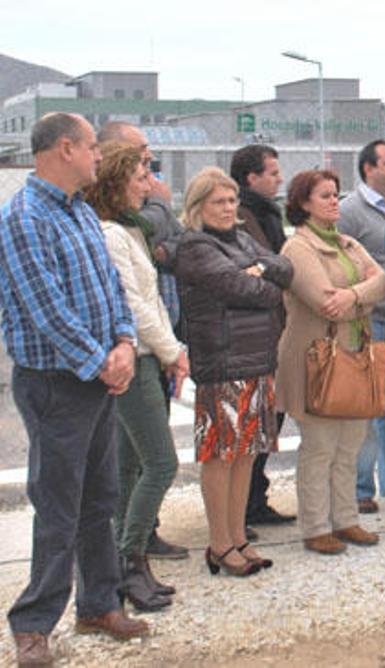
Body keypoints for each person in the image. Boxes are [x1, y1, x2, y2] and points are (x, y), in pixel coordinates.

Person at [2, 112, 148, 665]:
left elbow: (111, 288)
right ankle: (34, 623)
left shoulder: (81, 213)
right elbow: (46, 310)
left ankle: (98, 604)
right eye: (92, 147)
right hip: (56, 384)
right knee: (58, 506)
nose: (98, 157)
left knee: (100, 499)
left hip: (97, 376)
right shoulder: (23, 218)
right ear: (65, 149)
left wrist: (126, 343)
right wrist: (103, 362)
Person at [173, 167, 292, 576]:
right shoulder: (194, 246)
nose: (227, 209)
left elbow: (283, 271)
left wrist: (259, 273)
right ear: (198, 206)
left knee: (246, 455)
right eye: (218, 202)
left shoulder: (240, 239)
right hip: (222, 363)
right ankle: (219, 544)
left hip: (257, 361)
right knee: (221, 456)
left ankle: (238, 536)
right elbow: (244, 289)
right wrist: (259, 276)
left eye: (231, 201)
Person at [86, 142, 186, 611]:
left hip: (149, 353)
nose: (149, 185)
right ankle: (130, 560)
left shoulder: (128, 230)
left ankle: (127, 561)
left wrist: (170, 350)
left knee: (129, 465)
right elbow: (135, 303)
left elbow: (153, 300)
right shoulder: (110, 233)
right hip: (138, 357)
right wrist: (172, 352)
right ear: (116, 182)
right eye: (140, 176)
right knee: (161, 463)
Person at [274, 170, 385, 554]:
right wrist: (362, 295)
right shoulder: (298, 249)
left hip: (355, 356)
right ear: (303, 202)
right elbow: (325, 303)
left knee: (349, 447)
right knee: (320, 447)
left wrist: (354, 296)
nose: (334, 201)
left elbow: (384, 281)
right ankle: (315, 525)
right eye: (325, 195)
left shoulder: (348, 242)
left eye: (336, 194)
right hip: (316, 360)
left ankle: (346, 519)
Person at [339, 140, 385, 514]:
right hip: (369, 321)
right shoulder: (350, 212)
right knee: (365, 408)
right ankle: (360, 488)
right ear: (368, 169)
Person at [229, 143, 295, 530]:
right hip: (255, 333)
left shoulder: (268, 214)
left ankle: (255, 498)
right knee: (253, 422)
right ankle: (243, 505)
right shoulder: (242, 216)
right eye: (272, 173)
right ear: (251, 178)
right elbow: (263, 266)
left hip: (275, 328)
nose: (279, 178)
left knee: (271, 419)